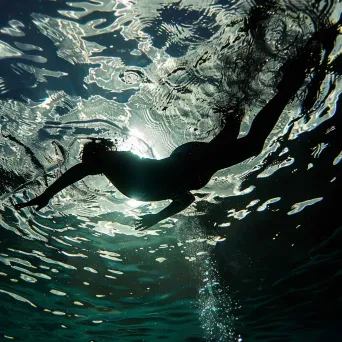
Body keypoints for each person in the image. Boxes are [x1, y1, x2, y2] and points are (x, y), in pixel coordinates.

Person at [14, 20, 341, 229]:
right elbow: (185, 200)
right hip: (192, 163)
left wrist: (47, 193)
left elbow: (80, 170)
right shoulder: (117, 169)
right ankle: (245, 78)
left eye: (92, 157)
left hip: (191, 162)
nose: (88, 164)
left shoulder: (116, 165)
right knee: (230, 132)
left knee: (251, 143)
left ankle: (289, 78)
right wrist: (156, 217)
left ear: (100, 157)